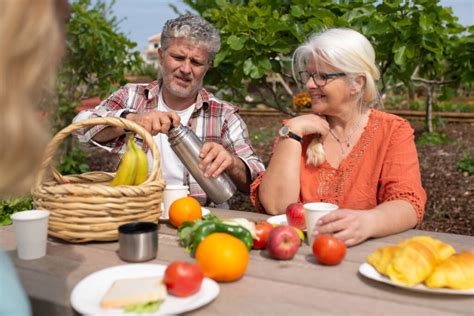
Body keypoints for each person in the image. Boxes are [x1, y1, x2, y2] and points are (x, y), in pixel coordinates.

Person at [251, 28, 426, 246]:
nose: (310, 85)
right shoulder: (297, 132)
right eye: (309, 75)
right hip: (300, 258)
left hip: (364, 258)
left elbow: (408, 204)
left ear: (357, 83)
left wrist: (368, 222)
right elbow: (276, 207)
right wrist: (292, 131)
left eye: (322, 77)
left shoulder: (392, 131)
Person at [73, 15, 264, 207]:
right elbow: (80, 127)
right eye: (178, 57)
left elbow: (256, 179)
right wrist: (130, 120)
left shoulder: (224, 115)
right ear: (161, 56)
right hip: (135, 212)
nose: (186, 69)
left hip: (201, 218)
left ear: (208, 67)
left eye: (196, 62)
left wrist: (231, 162)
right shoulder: (131, 96)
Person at [0, 1, 69, 315]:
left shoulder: (224, 112)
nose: (62, 50)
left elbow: (244, 170)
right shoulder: (132, 95)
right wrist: (133, 117)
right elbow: (90, 126)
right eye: (62, 24)